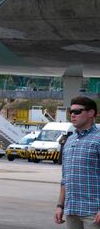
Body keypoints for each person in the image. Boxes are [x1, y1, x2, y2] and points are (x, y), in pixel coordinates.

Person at [55, 96, 100, 228]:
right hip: (72, 209)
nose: (73, 115)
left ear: (91, 113)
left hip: (93, 212)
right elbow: (65, 178)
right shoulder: (70, 140)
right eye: (71, 112)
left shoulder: (98, 139)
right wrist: (60, 206)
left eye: (77, 111)